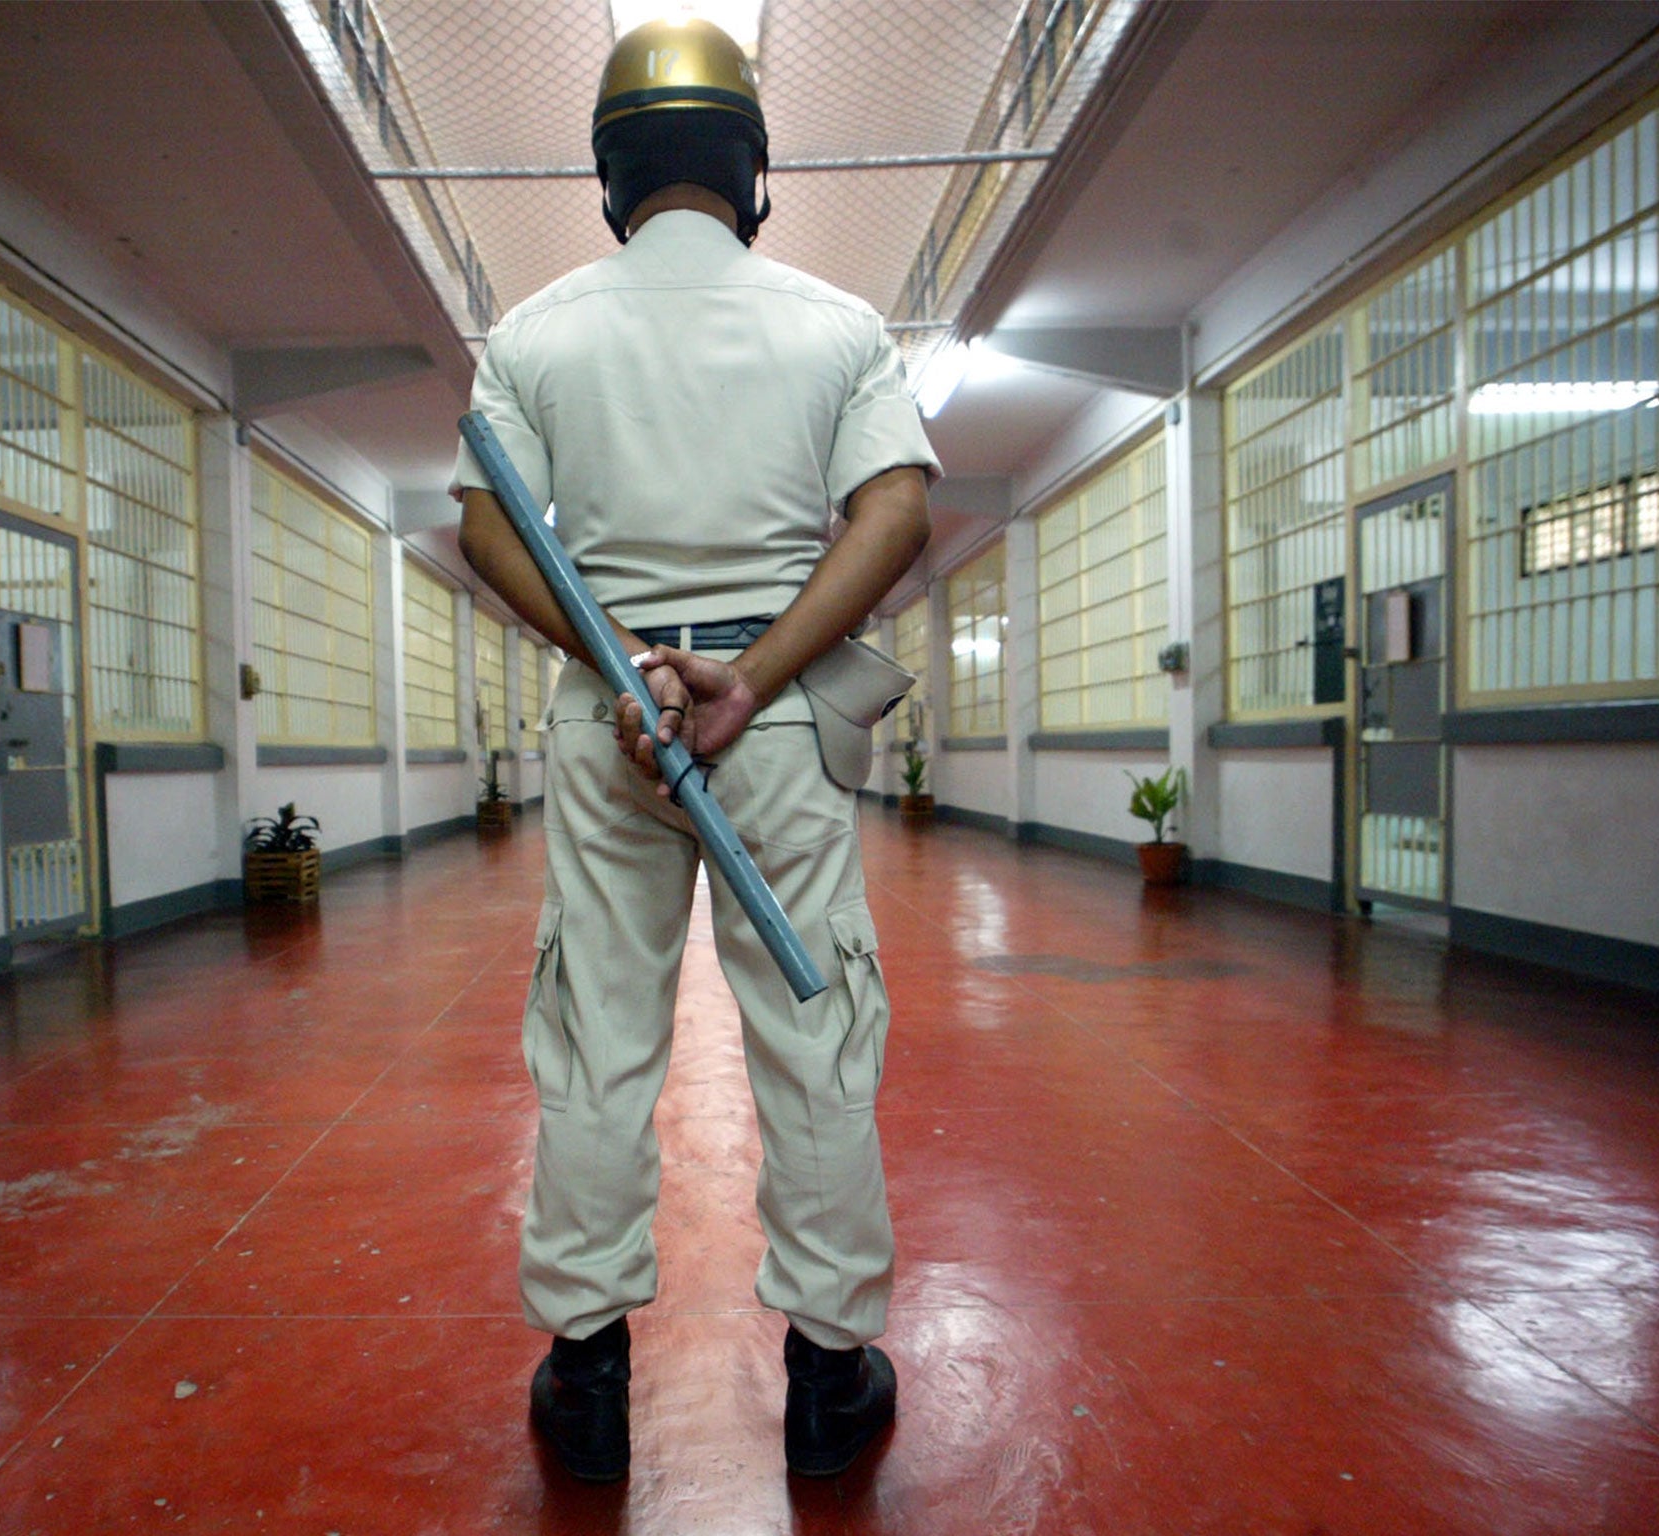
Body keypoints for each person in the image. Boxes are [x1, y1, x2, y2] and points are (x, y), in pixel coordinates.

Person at [452, 15, 939, 1484]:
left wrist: (630, 674)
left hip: (613, 730)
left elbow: (483, 525)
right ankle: (829, 1373)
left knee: (601, 1034)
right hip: (772, 723)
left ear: (611, 175)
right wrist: (747, 679)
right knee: (815, 1030)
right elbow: (895, 512)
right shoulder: (837, 325)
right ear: (752, 169)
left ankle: (588, 1375)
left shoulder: (534, 334)